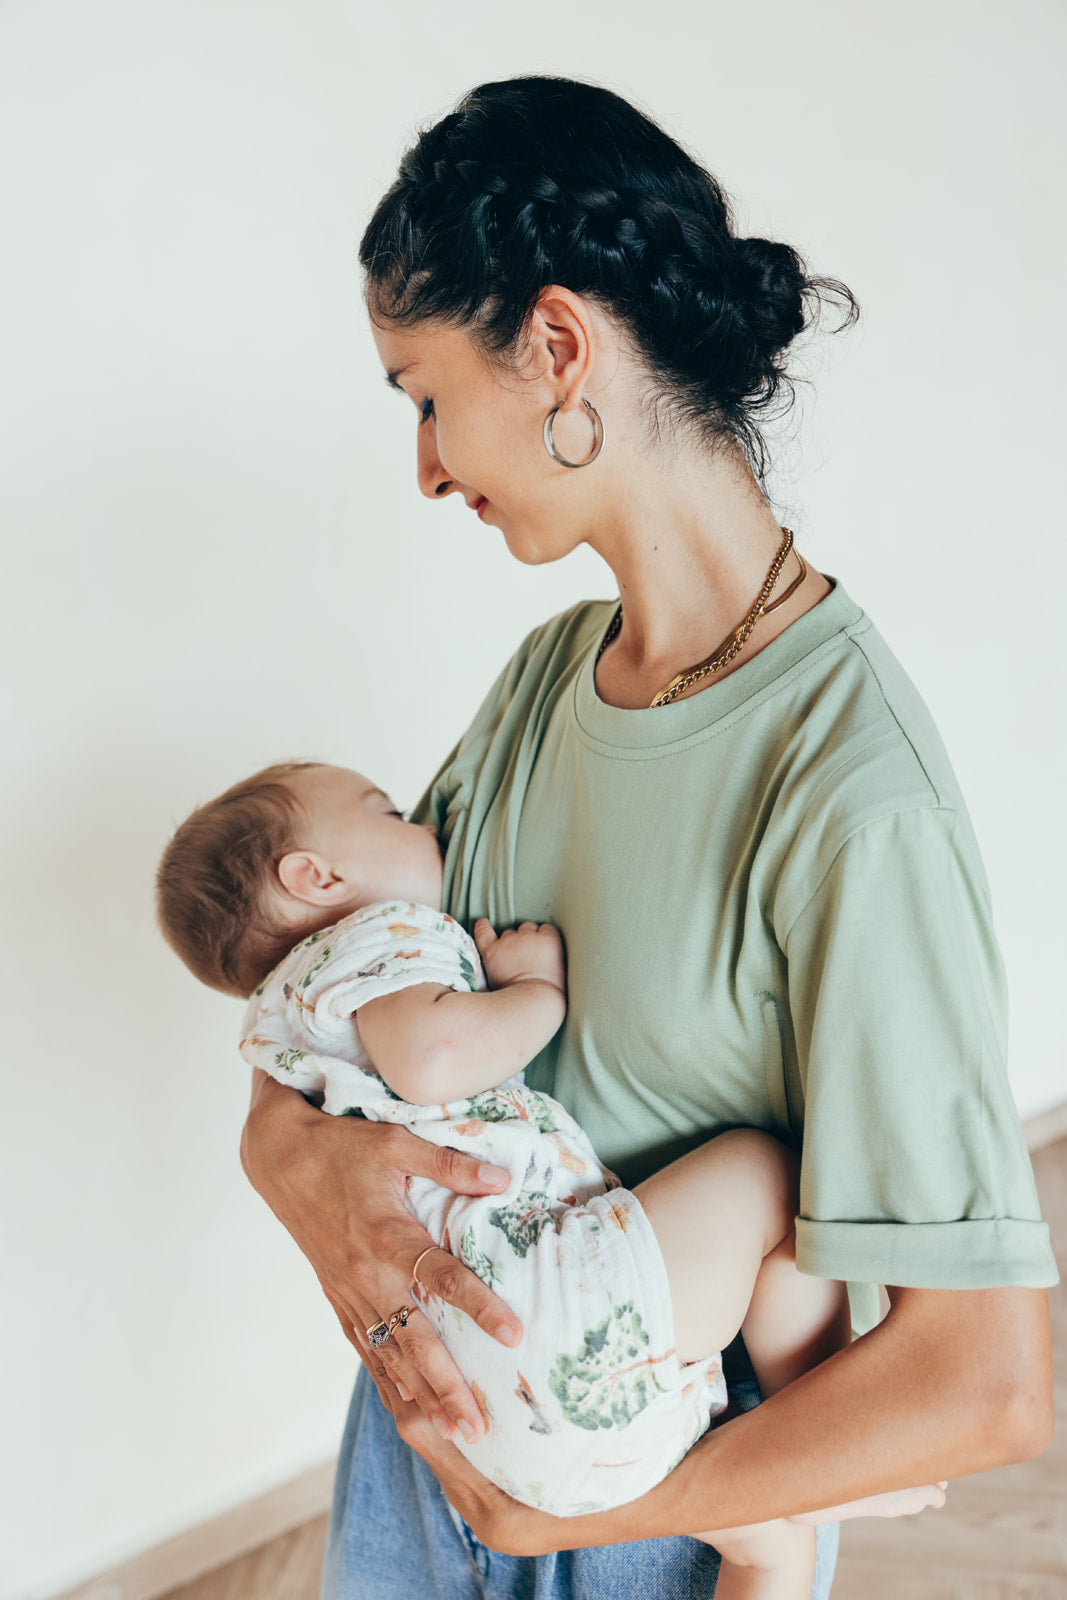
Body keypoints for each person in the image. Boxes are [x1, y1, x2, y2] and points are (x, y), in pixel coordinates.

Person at [237, 75, 1057, 1600]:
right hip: (414, 1473)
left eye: (422, 394)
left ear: (553, 347)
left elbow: (986, 1380)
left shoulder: (850, 792)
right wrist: (288, 1158)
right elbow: (334, 1019)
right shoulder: (542, 686)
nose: (421, 465)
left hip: (641, 1527)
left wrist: (574, 1522)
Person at [158, 758, 951, 1598]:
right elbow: (432, 1060)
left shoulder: (277, 1023)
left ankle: (795, 1503)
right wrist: (535, 988)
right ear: (316, 877)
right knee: (767, 1180)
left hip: (497, 1411)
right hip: (548, 1305)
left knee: (765, 1550)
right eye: (388, 812)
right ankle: (823, 1440)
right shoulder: (373, 937)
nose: (426, 827)